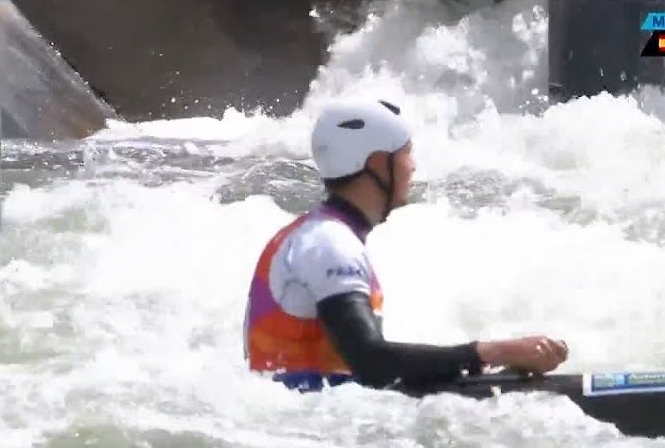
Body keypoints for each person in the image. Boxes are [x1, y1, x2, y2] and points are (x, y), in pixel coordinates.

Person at [243, 98, 569, 391]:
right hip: (306, 425)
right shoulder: (330, 243)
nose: (412, 167)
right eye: (406, 153)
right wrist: (494, 351)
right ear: (375, 164)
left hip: (310, 413)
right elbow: (372, 363)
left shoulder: (314, 234)